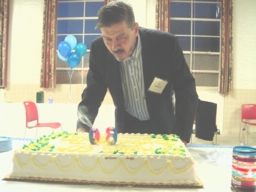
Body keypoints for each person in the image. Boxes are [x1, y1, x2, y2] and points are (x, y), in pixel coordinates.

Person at [76, 1, 198, 145]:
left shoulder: (165, 45)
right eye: (107, 39)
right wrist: (82, 127)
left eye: (121, 37)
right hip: (126, 127)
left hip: (164, 127)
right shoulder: (99, 50)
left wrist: (182, 136)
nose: (114, 46)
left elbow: (186, 90)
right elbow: (93, 92)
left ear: (135, 29)